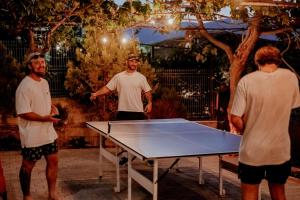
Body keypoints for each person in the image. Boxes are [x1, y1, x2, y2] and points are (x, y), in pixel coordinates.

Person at [230, 46, 300, 200]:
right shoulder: (291, 77)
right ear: (278, 61)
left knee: (249, 193)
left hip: (252, 151)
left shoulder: (247, 81)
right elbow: (293, 107)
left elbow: (235, 117)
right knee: (279, 192)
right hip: (279, 150)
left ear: (257, 62)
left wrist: (244, 127)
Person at [90, 53, 152, 164]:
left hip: (138, 112)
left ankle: (147, 157)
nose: (134, 63)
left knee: (142, 136)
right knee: (123, 137)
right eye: (132, 61)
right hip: (123, 111)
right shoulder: (119, 77)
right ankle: (125, 156)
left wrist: (150, 103)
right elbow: (107, 88)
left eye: (136, 61)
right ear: (127, 62)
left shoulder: (141, 77)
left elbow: (147, 91)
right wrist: (96, 94)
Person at [15, 52, 60, 200]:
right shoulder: (24, 87)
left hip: (48, 133)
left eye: (43, 62)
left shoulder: (44, 82)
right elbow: (23, 112)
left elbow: (44, 98)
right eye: (37, 63)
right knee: (28, 167)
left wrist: (52, 107)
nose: (42, 65)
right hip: (32, 135)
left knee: (53, 161)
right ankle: (27, 196)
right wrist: (44, 118)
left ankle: (52, 193)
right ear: (29, 66)